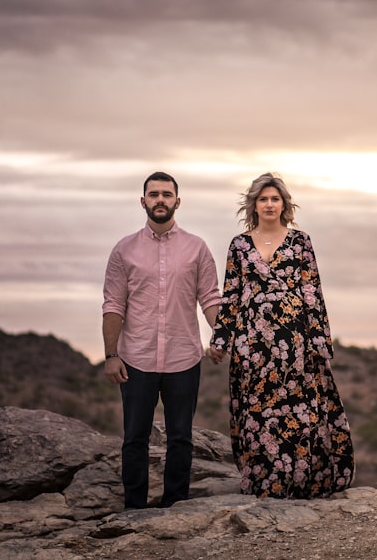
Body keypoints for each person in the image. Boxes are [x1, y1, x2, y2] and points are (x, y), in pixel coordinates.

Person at [209, 172, 355, 498]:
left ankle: (298, 482)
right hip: (253, 344)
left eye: (275, 198)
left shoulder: (301, 241)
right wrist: (221, 340)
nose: (270, 204)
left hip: (294, 344)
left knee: (295, 413)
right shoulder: (239, 245)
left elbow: (312, 291)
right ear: (254, 204)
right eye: (264, 199)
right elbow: (231, 295)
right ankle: (264, 483)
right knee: (258, 414)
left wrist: (320, 340)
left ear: (284, 204)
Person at [102, 171, 222, 509]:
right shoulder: (124, 250)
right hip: (135, 358)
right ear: (143, 201)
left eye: (166, 194)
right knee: (135, 438)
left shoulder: (196, 248)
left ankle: (175, 506)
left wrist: (222, 337)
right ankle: (134, 508)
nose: (160, 200)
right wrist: (111, 354)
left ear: (177, 202)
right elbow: (114, 304)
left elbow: (210, 297)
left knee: (181, 439)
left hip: (183, 358)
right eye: (153, 194)